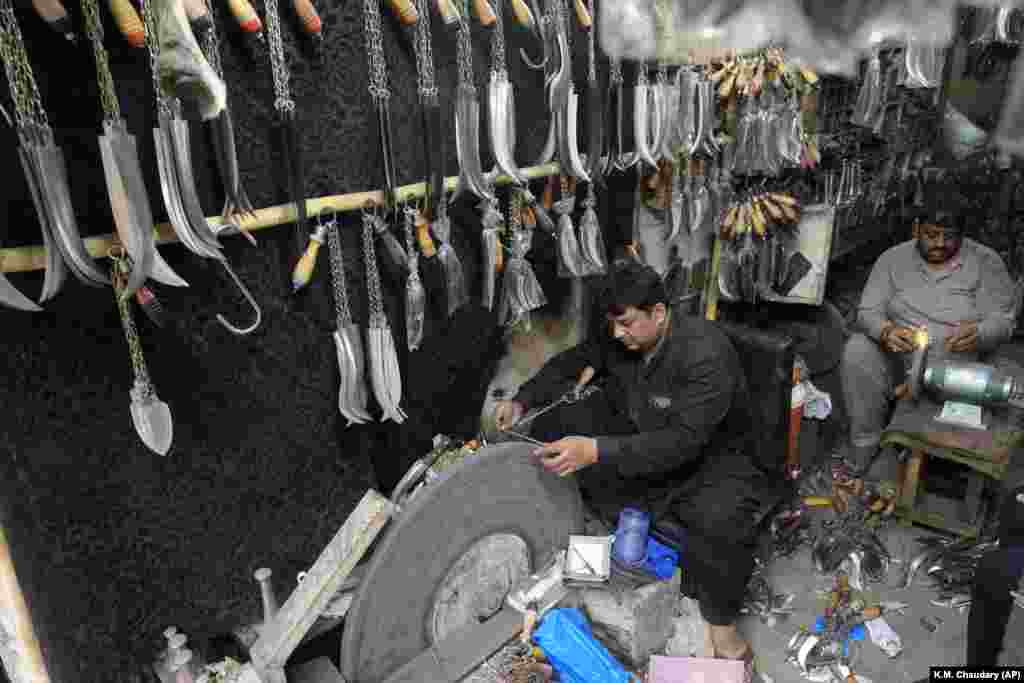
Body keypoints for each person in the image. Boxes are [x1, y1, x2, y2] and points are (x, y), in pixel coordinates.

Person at [493, 260, 776, 677]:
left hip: (714, 459)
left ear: (658, 313)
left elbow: (679, 443)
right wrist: (522, 400)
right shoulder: (624, 338)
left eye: (626, 324)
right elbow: (576, 359)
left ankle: (723, 633)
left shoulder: (706, 354)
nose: (617, 334)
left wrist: (595, 451)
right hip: (648, 435)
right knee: (560, 425)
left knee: (721, 519)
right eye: (613, 326)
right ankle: (618, 526)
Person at [840, 202, 1017, 475]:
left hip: (958, 364)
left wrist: (981, 333)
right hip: (900, 359)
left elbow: (1005, 322)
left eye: (950, 237)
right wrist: (886, 331)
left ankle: (949, 459)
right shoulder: (892, 259)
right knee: (858, 350)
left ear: (962, 234)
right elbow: (867, 312)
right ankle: (866, 447)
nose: (940, 244)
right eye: (931, 235)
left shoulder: (986, 262)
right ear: (916, 230)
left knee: (999, 380)